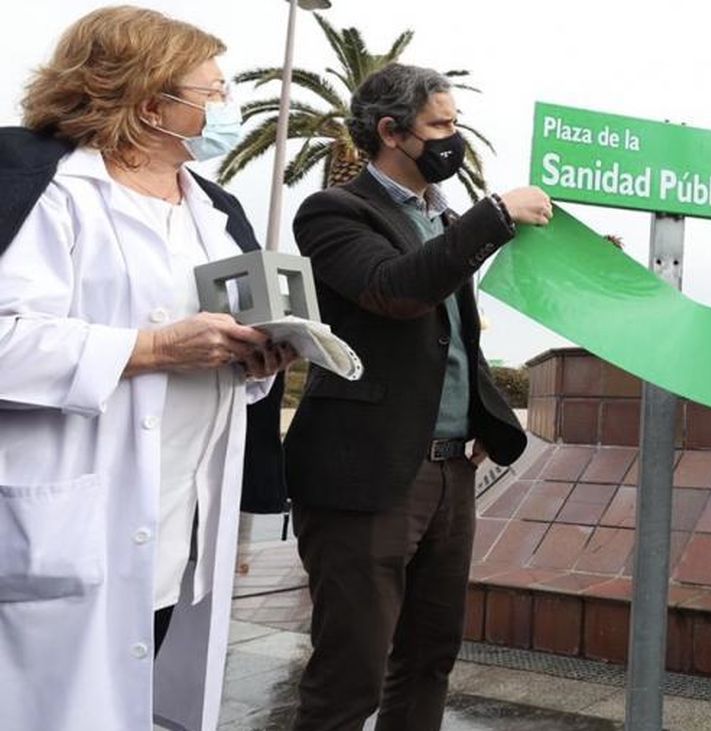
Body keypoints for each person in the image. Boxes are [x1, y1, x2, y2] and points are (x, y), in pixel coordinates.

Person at [0, 7, 298, 730]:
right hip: (67, 518)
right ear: (148, 100)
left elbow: (221, 343)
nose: (222, 108)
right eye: (212, 93)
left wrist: (258, 359)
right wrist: (154, 349)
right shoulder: (40, 185)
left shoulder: (214, 210)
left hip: (173, 529)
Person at [285, 63, 553, 731]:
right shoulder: (335, 212)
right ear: (390, 132)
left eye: (455, 123)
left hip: (452, 472)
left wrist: (484, 415)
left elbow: (458, 340)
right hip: (366, 473)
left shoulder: (446, 219)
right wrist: (495, 216)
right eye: (440, 125)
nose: (453, 138)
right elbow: (396, 289)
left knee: (430, 656)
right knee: (352, 672)